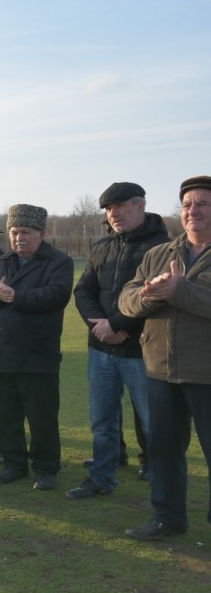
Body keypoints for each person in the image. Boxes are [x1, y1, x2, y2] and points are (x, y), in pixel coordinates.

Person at [119, 175, 211, 540]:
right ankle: (167, 519)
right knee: (163, 452)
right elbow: (126, 299)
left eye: (202, 203)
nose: (193, 211)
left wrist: (179, 289)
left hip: (206, 373)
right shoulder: (159, 254)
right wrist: (148, 295)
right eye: (187, 204)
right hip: (160, 371)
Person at [67, 182, 169, 500]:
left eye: (119, 206)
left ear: (140, 205)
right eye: (109, 209)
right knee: (102, 420)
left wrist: (117, 325)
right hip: (101, 349)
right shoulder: (101, 247)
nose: (113, 213)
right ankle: (102, 477)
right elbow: (83, 290)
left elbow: (157, 297)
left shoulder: (163, 247)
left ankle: (163, 487)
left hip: (141, 351)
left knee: (154, 423)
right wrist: (100, 326)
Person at [0, 204, 72, 491]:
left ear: (42, 233)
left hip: (38, 354)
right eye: (15, 232)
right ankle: (14, 464)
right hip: (1, 352)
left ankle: (46, 469)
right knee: (5, 416)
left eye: (26, 232)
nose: (19, 238)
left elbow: (56, 296)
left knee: (42, 418)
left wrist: (13, 296)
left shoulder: (58, 262)